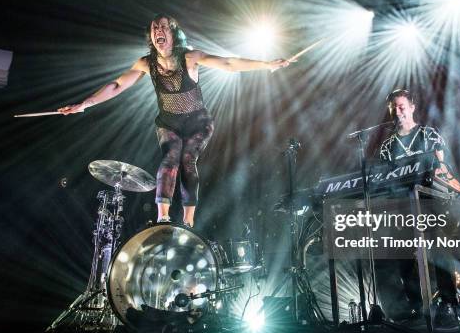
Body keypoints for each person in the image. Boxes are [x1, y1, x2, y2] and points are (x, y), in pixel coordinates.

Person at [59, 14, 290, 227]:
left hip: (198, 122)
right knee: (170, 159)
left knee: (188, 160)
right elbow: (117, 86)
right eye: (154, 29)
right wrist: (84, 105)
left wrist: (267, 64)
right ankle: (163, 218)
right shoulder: (145, 63)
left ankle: (188, 222)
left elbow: (228, 64)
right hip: (168, 123)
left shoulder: (190, 57)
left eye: (163, 28)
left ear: (173, 33)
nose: (158, 31)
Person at [378, 88, 460, 332]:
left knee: (440, 251)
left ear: (412, 107)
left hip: (430, 202)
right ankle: (417, 306)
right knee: (400, 256)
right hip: (403, 207)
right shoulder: (387, 146)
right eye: (394, 107)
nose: (398, 111)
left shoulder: (429, 134)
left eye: (402, 106)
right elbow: (384, 180)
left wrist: (443, 178)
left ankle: (448, 304)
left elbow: (443, 167)